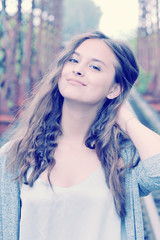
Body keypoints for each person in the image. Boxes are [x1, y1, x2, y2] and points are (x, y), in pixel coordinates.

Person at [0, 31, 160, 240]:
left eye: (94, 67)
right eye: (73, 60)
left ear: (114, 89)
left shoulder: (124, 157)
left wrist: (127, 120)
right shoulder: (16, 154)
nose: (78, 70)